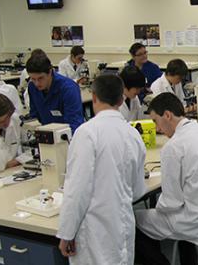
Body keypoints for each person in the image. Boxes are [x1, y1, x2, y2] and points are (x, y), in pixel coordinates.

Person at [57, 74, 147, 264]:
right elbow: (138, 189)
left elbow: (77, 191)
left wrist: (66, 233)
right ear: (122, 99)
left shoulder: (87, 133)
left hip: (95, 230)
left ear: (94, 97)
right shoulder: (133, 133)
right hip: (122, 225)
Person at [134, 92, 198, 265]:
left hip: (196, 221)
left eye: (156, 121)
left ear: (167, 115)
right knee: (174, 212)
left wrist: (157, 207)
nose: (157, 128)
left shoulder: (173, 147)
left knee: (133, 220)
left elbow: (172, 202)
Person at [26, 54, 84, 133]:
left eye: (40, 78)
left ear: (50, 72)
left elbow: (74, 124)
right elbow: (34, 115)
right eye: (33, 79)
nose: (37, 83)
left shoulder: (68, 89)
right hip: (46, 135)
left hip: (67, 137)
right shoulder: (32, 87)